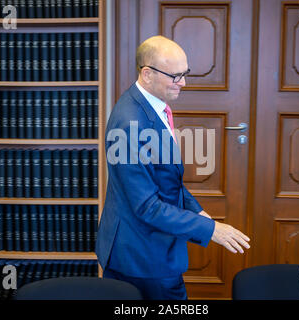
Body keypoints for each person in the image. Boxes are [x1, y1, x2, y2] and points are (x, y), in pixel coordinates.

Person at [95, 35, 250, 300]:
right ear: (147, 74)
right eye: (176, 76)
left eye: (185, 74)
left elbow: (165, 180)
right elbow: (146, 206)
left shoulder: (154, 105)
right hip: (141, 254)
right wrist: (212, 230)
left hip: (150, 245)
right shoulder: (130, 124)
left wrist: (196, 210)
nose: (184, 83)